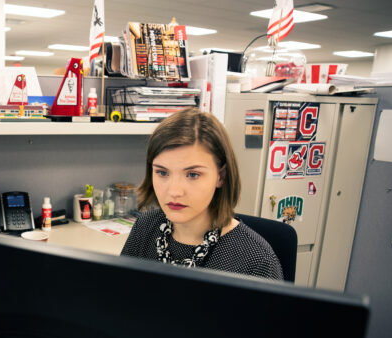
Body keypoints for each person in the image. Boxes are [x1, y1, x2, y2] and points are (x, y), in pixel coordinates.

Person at [121, 108, 283, 280]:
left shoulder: (257, 261)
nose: (174, 191)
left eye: (192, 175)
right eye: (162, 173)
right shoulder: (145, 226)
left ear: (221, 176)